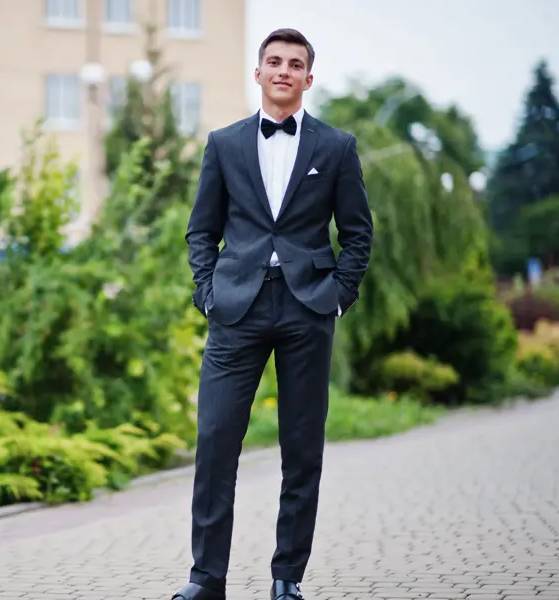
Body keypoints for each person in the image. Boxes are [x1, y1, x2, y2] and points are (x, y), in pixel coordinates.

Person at [171, 28, 374, 600]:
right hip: (236, 307)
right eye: (274, 61)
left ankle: (287, 578)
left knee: (301, 446)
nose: (283, 70)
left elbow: (358, 233)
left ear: (308, 78)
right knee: (214, 442)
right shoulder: (225, 143)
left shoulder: (336, 147)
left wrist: (339, 293)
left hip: (308, 306)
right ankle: (206, 578)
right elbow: (201, 230)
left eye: (295, 64)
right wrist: (207, 291)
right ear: (258, 73)